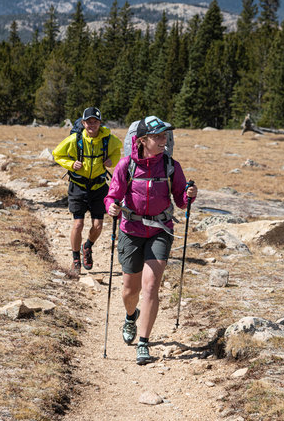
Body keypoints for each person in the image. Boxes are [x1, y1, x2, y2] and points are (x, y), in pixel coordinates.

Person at [105, 116, 197, 365]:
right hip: (130, 230)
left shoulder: (171, 166)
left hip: (160, 230)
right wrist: (112, 206)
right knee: (129, 291)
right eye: (158, 137)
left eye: (165, 136)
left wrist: (189, 196)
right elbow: (112, 196)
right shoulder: (126, 166)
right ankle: (129, 315)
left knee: (150, 287)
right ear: (143, 140)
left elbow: (179, 199)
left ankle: (143, 343)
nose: (163, 141)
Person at [52, 107, 122, 277]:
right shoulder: (75, 139)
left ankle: (87, 246)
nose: (92, 125)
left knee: (98, 226)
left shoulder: (108, 139)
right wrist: (71, 164)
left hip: (98, 187)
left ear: (100, 123)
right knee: (78, 224)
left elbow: (118, 151)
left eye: (95, 121)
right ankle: (76, 259)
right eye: (89, 122)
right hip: (78, 186)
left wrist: (112, 160)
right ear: (83, 123)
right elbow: (57, 154)